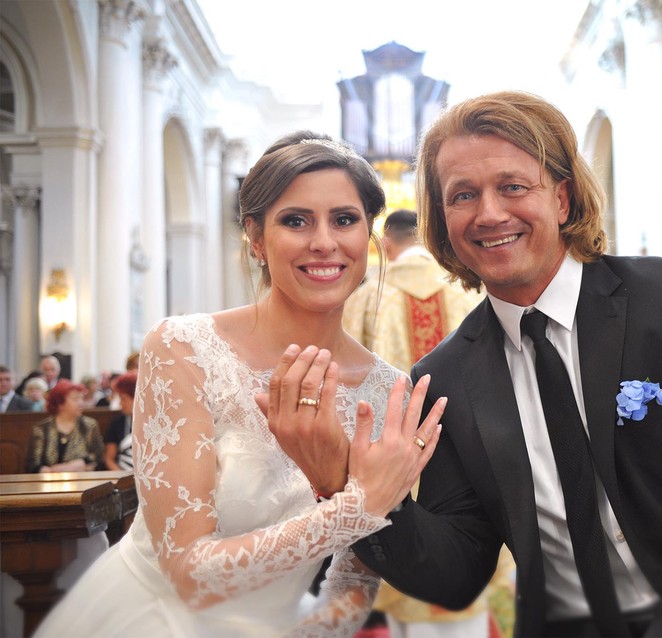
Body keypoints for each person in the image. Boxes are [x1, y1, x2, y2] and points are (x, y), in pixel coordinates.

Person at [302, 91, 662, 636]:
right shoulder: (444, 376)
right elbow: (457, 572)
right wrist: (350, 491)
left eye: (513, 186)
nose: (489, 213)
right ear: (443, 218)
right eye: (463, 195)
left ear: (563, 198)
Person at [33, 131, 444, 638]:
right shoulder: (184, 349)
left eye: (344, 219)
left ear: (368, 235)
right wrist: (360, 508)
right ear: (256, 238)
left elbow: (356, 577)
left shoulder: (386, 389)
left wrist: (312, 632)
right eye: (296, 221)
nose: (324, 241)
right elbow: (188, 574)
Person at [344, 211, 508, 638]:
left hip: (393, 471)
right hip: (476, 463)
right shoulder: (472, 293)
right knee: (470, 575)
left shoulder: (368, 297)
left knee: (405, 583)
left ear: (388, 244)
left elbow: (346, 390)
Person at [344, 209, 484, 374]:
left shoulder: (369, 296)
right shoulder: (467, 289)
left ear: (385, 243)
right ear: (427, 239)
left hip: (391, 391)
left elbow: (348, 363)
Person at [25, 379, 105, 473]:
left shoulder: (89, 425)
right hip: (48, 479)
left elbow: (98, 455)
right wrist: (50, 472)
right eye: (75, 399)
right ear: (60, 403)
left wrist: (78, 464)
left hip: (81, 478)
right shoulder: (42, 428)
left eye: (81, 398)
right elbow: (32, 464)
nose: (81, 403)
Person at [103, 371, 137, 471]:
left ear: (137, 398)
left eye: (124, 399)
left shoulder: (153, 422)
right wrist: (122, 477)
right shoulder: (117, 423)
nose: (120, 403)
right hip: (123, 475)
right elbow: (109, 459)